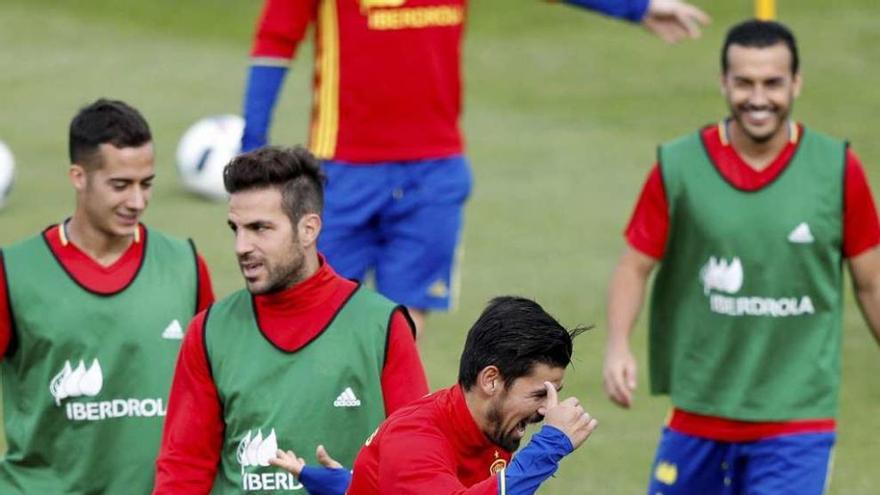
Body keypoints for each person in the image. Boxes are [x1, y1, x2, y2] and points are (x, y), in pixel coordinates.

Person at [240, 0, 711, 335]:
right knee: (318, 319)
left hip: (434, 172)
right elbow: (275, 41)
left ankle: (380, 459)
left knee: (403, 329)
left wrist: (638, 6)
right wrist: (253, 149)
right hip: (343, 173)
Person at [604, 20, 880, 495]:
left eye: (772, 83)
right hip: (698, 411)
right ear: (723, 83)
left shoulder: (837, 169)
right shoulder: (679, 165)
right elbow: (635, 264)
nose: (758, 98)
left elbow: (871, 281)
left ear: (796, 83)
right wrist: (617, 344)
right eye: (744, 82)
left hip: (797, 418)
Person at [153, 146, 429, 493]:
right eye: (235, 228)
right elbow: (183, 469)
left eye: (259, 228)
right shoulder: (209, 332)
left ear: (308, 229)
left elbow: (416, 466)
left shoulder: (381, 327)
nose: (241, 245)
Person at [0, 98, 215, 494]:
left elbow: (217, 396)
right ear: (79, 177)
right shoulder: (13, 273)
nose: (137, 201)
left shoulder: (185, 267)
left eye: (146, 184)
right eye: (120, 185)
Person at [270, 296, 597, 495]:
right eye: (540, 394)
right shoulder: (413, 437)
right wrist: (549, 447)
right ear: (491, 380)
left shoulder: (492, 428)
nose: (547, 411)